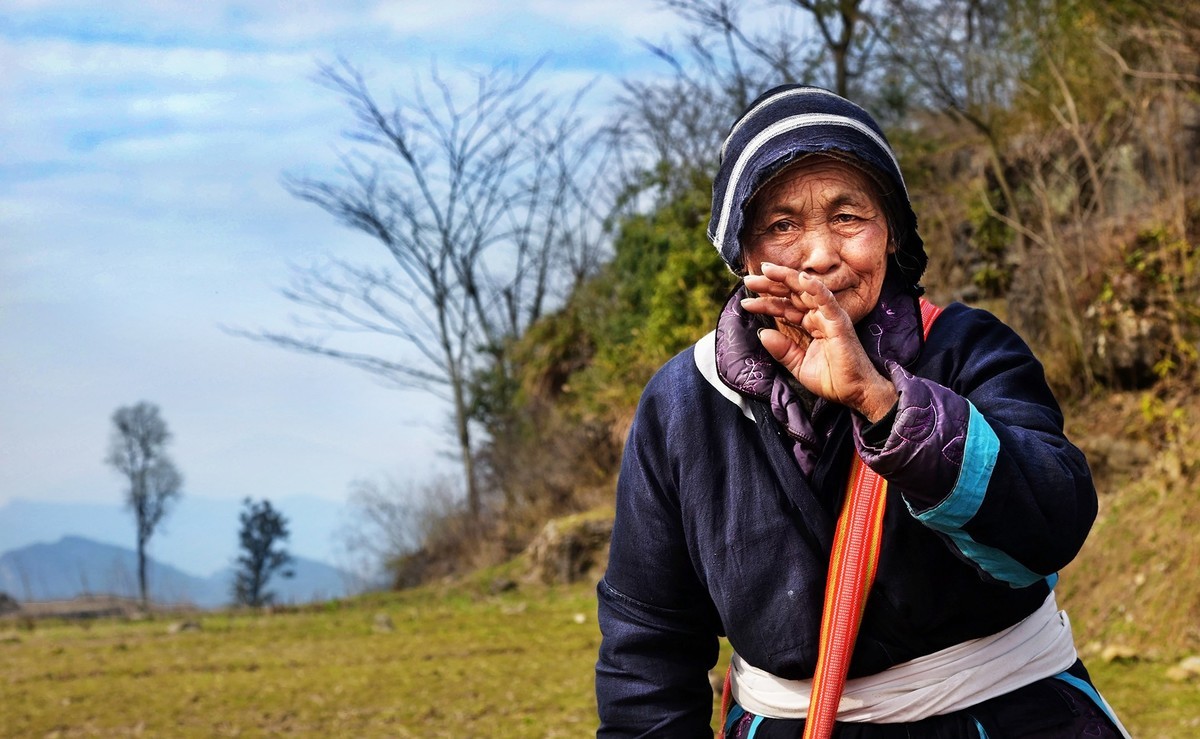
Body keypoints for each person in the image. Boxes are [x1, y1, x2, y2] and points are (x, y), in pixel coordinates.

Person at [595, 85, 1129, 738]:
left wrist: (882, 403)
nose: (820, 256)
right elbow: (648, 641)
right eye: (782, 225)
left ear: (892, 232)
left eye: (848, 217)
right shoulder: (684, 402)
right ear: (740, 252)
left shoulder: (966, 347)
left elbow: (1053, 521)